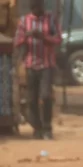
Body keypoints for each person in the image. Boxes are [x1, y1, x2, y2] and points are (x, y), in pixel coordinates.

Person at [13, 0, 62, 140]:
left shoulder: (51, 19)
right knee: (31, 99)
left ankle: (47, 128)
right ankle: (37, 128)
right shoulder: (24, 21)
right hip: (30, 65)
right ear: (31, 8)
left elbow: (58, 39)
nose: (38, 10)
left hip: (47, 64)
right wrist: (28, 35)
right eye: (35, 8)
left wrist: (43, 37)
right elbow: (17, 42)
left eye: (39, 7)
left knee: (46, 96)